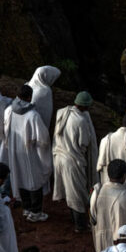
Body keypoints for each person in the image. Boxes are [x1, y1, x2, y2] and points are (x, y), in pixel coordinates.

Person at [4, 84, 51, 222]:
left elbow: (6, 131)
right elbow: (43, 139)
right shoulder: (32, 115)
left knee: (20, 177)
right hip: (29, 151)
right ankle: (36, 212)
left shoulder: (9, 110)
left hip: (15, 150)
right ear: (29, 97)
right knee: (33, 180)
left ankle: (26, 208)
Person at [52, 91, 97, 231]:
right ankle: (80, 225)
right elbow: (83, 143)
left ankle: (75, 220)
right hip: (72, 160)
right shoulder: (81, 120)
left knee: (70, 191)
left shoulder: (63, 112)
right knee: (78, 193)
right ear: (84, 107)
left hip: (59, 157)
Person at [90, 158, 126, 252]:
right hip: (121, 247)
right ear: (124, 176)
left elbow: (92, 219)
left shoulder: (97, 192)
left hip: (101, 243)